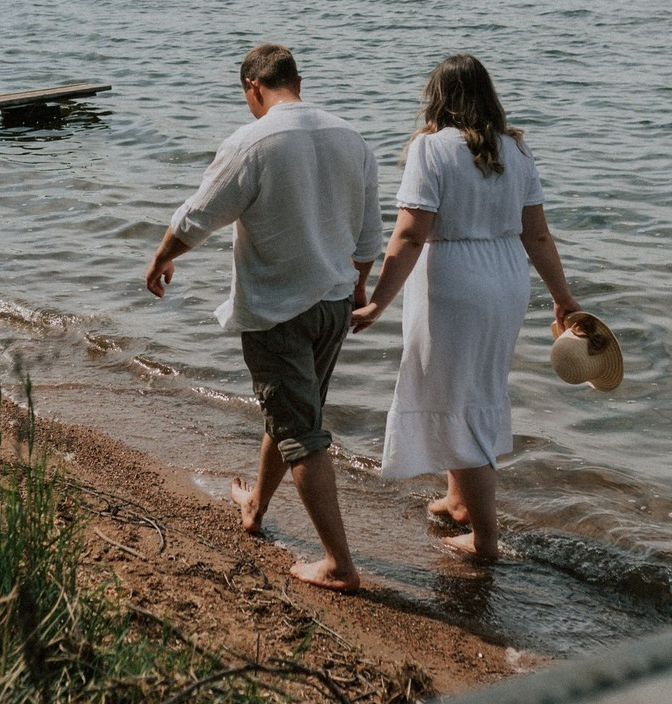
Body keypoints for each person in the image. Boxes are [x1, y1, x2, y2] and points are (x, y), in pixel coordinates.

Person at [144, 44, 382, 591]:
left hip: (279, 311)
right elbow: (369, 237)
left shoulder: (252, 142)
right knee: (294, 412)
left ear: (253, 87)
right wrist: (358, 287)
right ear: (298, 81)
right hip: (332, 305)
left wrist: (161, 259)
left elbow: (197, 216)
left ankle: (340, 564)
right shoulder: (352, 138)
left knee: (301, 430)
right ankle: (255, 507)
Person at [352, 54, 580, 561]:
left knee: (459, 397)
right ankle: (459, 500)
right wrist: (562, 296)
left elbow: (410, 236)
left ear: (437, 98)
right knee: (474, 388)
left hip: (453, 281)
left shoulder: (430, 149)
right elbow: (538, 235)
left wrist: (377, 304)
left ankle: (485, 540)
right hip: (506, 279)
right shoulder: (515, 149)